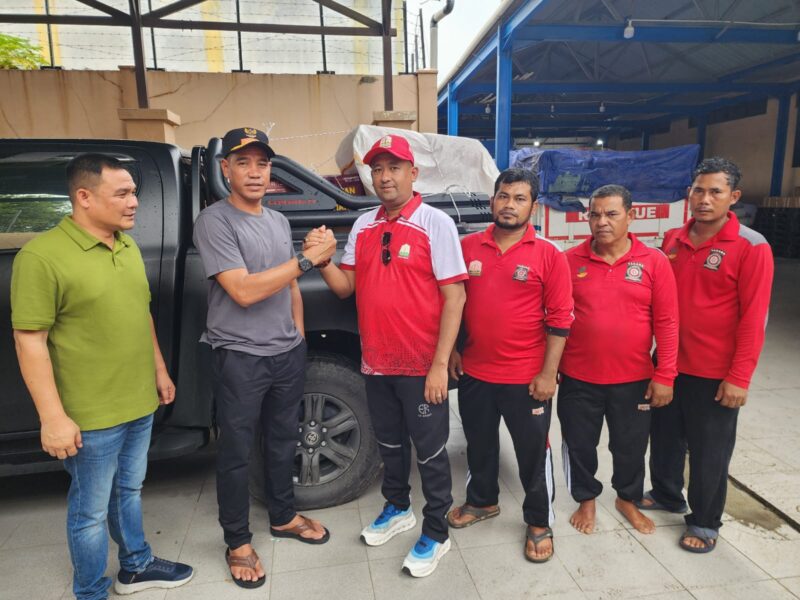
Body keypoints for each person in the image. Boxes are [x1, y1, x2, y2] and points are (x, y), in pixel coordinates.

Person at [11, 153, 194, 600]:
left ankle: (136, 566)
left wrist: (159, 370)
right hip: (90, 414)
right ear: (84, 197)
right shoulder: (41, 257)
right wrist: (53, 418)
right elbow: (30, 341)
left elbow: (140, 313)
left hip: (138, 402)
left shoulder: (125, 246)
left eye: (134, 192)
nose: (135, 202)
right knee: (90, 511)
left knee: (128, 490)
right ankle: (90, 591)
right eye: (123, 193)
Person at [306, 133, 467, 577]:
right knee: (390, 445)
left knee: (430, 453)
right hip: (376, 362)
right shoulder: (363, 226)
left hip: (421, 366)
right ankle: (398, 508)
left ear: (413, 174)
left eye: (394, 167)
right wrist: (322, 261)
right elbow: (346, 288)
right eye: (377, 169)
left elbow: (455, 297)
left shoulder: (435, 223)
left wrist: (439, 366)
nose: (384, 177)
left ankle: (436, 531)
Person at [192, 127, 336, 588]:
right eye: (243, 163)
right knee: (236, 451)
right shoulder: (215, 221)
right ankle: (237, 541)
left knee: (282, 440)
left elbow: (289, 284)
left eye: (262, 163)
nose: (255, 172)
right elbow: (242, 290)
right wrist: (309, 259)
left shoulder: (276, 220)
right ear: (226, 169)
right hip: (240, 356)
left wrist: (298, 336)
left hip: (285, 353)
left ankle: (283, 516)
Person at [640, 158, 774, 553]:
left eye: (715, 191)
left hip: (715, 372)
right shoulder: (672, 240)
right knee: (664, 437)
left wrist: (739, 377)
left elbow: (754, 318)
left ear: (733, 197)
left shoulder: (751, 246)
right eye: (698, 190)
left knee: (708, 451)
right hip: (669, 364)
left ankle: (704, 520)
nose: (704, 199)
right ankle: (666, 493)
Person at [447, 168, 573, 563]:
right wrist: (453, 350)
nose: (509, 205)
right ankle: (482, 501)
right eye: (503, 196)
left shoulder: (549, 255)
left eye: (519, 198)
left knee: (532, 453)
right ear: (492, 201)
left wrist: (548, 375)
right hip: (475, 372)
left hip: (527, 378)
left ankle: (539, 521)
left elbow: (561, 320)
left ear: (533, 207)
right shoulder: (467, 247)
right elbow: (454, 304)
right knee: (479, 444)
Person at [558, 184, 679, 536]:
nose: (602, 222)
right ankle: (586, 498)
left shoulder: (653, 262)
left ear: (630, 216)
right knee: (579, 443)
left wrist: (665, 375)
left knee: (630, 446)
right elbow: (555, 319)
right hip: (579, 376)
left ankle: (627, 498)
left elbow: (668, 322)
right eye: (595, 214)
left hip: (634, 378)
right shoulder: (569, 261)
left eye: (611, 214)